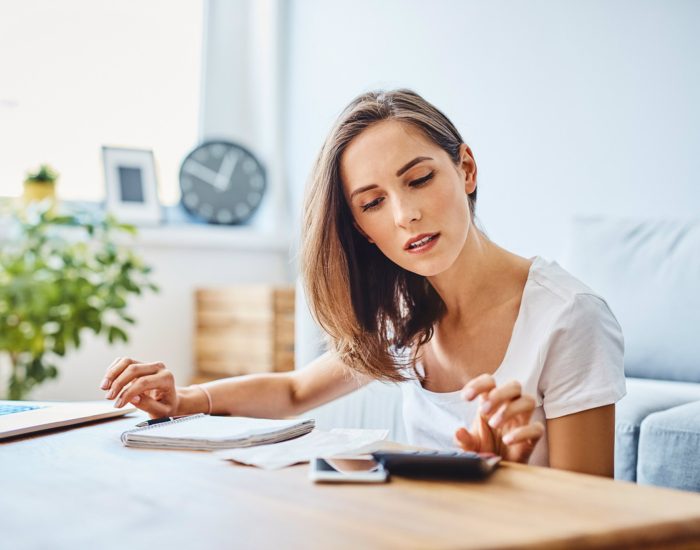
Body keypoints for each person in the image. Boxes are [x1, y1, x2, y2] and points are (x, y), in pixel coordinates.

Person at [99, 89, 625, 476]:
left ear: (466, 169)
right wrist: (183, 399)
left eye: (419, 179)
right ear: (361, 230)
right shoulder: (406, 310)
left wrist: (509, 473)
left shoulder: (568, 316)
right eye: (373, 203)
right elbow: (294, 390)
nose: (405, 215)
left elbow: (596, 515)